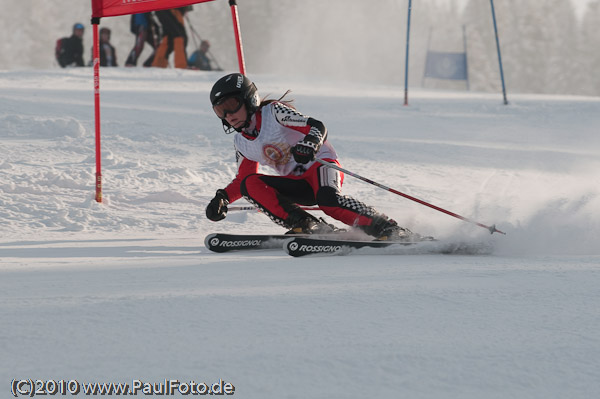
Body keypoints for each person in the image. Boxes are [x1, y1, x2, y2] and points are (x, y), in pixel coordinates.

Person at [205, 73, 415, 240]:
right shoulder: (241, 141)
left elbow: (316, 126)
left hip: (321, 167)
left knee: (329, 201)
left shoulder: (273, 113)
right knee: (250, 184)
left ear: (249, 99)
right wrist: (223, 197)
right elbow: (244, 178)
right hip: (297, 183)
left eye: (231, 106)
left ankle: (386, 227)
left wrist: (310, 144)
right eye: (220, 111)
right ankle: (308, 225)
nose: (228, 115)